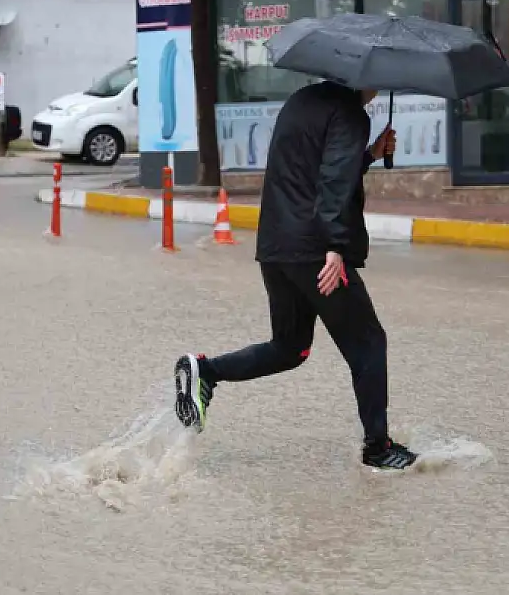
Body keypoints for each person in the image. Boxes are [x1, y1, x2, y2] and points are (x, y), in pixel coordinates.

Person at [174, 81, 418, 471]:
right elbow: (333, 181)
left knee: (290, 347)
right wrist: (337, 247)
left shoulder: (302, 100)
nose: (380, 88)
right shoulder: (350, 112)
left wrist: (369, 155)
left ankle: (207, 371)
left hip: (276, 245)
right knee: (369, 342)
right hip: (316, 250)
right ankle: (378, 448)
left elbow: (312, 170)